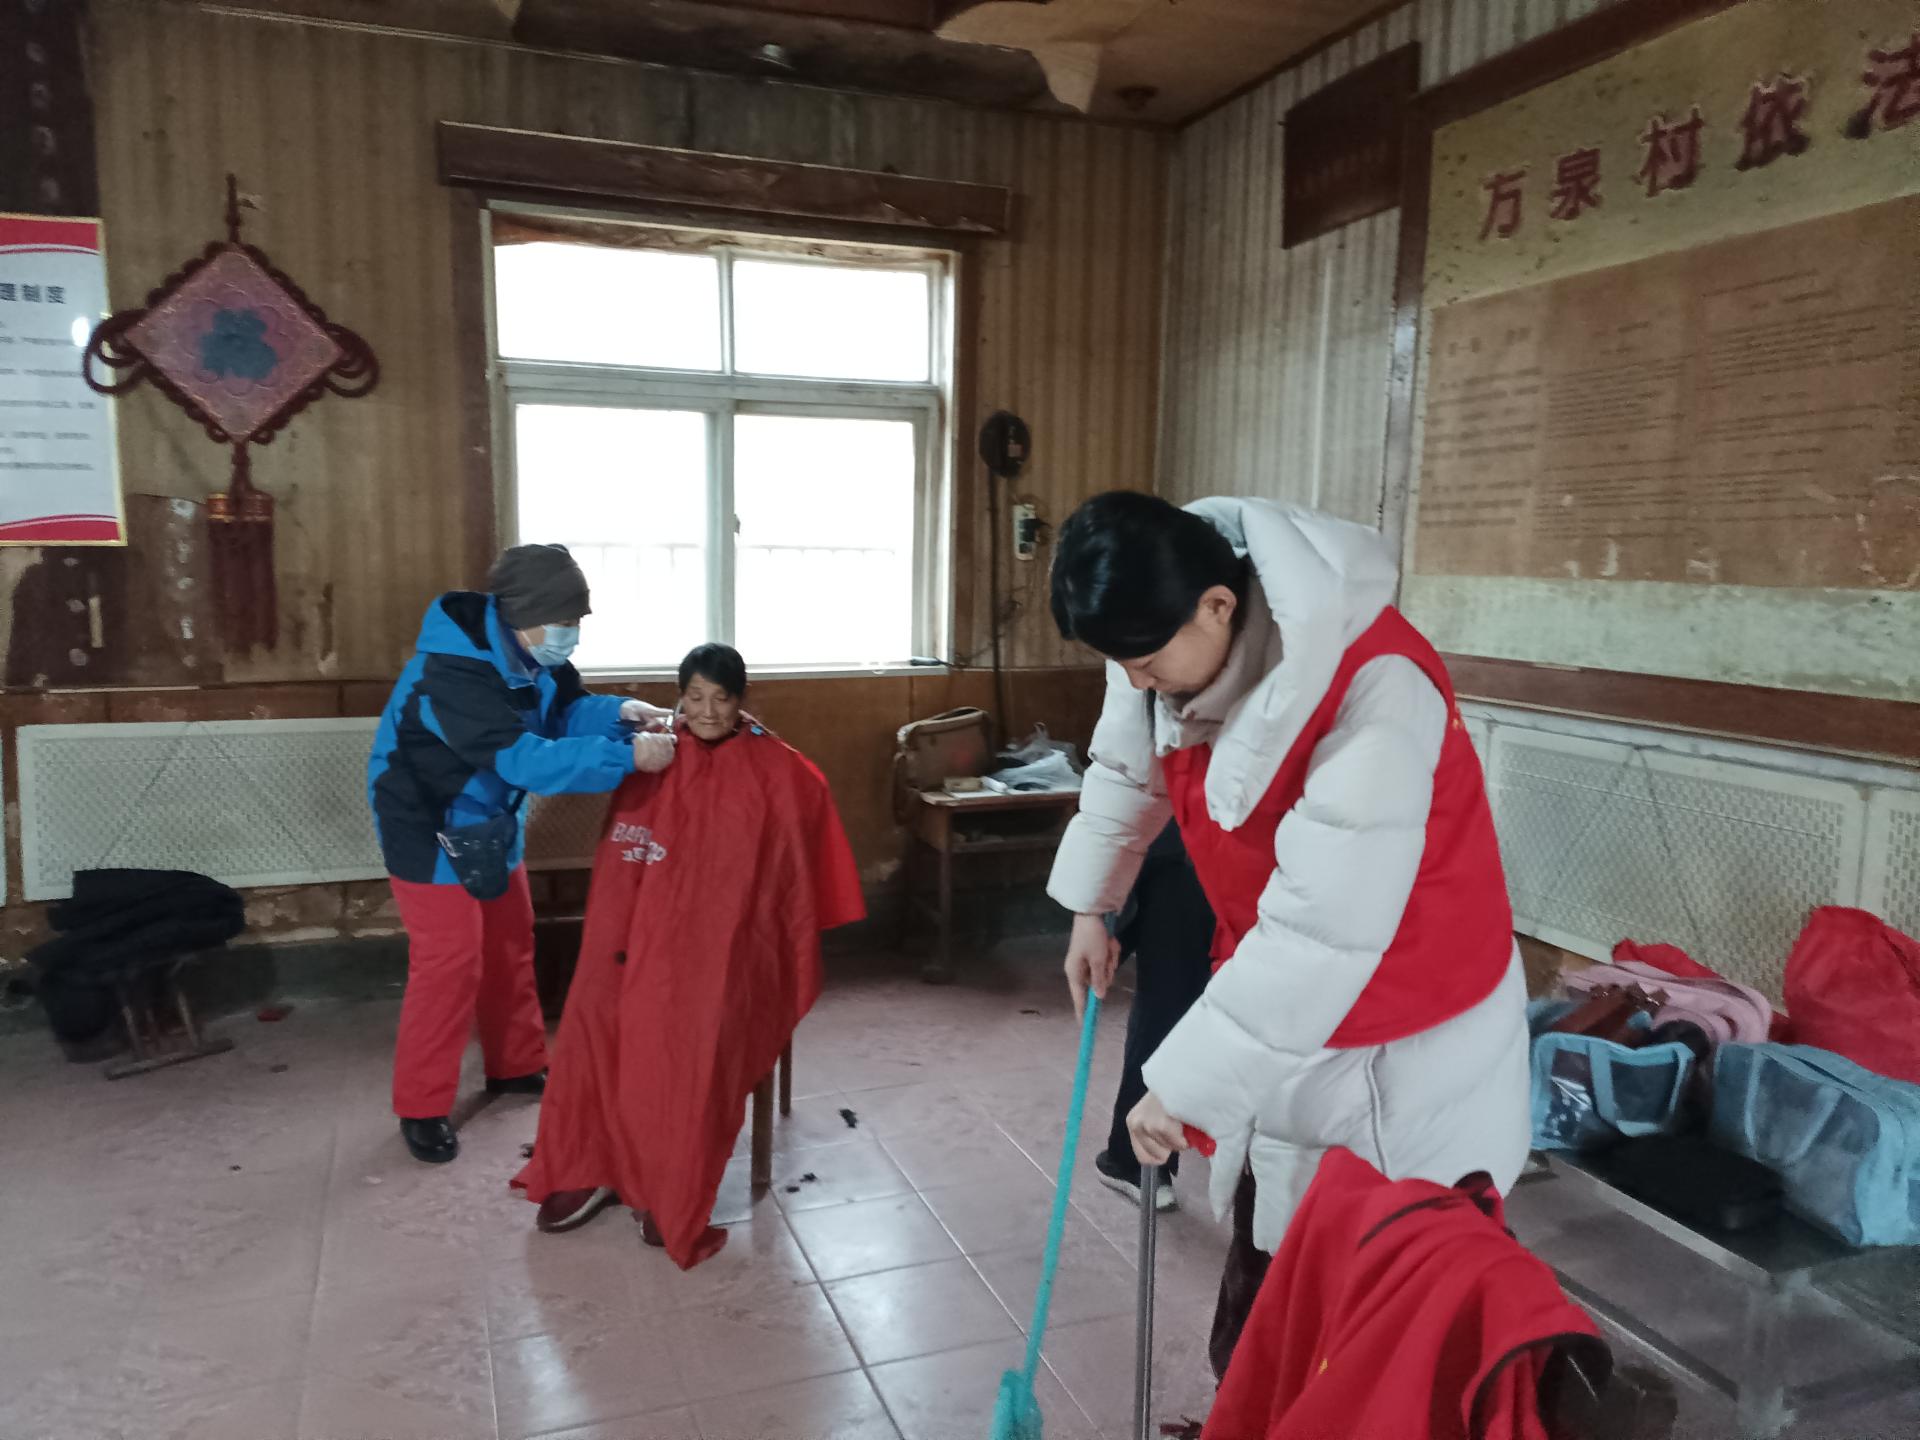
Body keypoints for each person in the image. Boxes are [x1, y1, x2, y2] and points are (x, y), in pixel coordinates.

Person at [1045, 492, 1530, 1382]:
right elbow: (1129, 766)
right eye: (1124, 666)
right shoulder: (1165, 633)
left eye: (1145, 663)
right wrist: (1092, 906)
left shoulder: (1378, 687)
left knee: (1373, 1308)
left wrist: (1184, 1084)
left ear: (1218, 607)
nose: (1138, 683)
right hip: (1289, 998)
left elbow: (1322, 929)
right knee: (1274, 1261)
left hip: (1404, 1028)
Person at [512, 644, 865, 1266]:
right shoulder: (651, 754)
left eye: (720, 699)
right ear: (678, 697)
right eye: (694, 697)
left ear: (741, 701)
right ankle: (591, 1164)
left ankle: (664, 1179)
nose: (706, 711)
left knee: (686, 1036)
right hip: (632, 934)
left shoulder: (777, 770)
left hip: (721, 948)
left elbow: (790, 883)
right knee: (598, 1023)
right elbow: (624, 851)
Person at [368, 543, 676, 1165]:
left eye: (578, 620)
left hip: (490, 817)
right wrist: (627, 757)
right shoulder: (451, 673)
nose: (572, 633)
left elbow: (564, 713)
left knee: (510, 942)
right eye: (564, 620)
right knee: (450, 961)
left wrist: (620, 713)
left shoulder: (533, 656)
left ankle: (514, 1064)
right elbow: (523, 758)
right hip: (425, 822)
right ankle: (421, 1106)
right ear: (523, 615)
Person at [1093, 820, 1215, 1213]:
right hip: (1181, 856)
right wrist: (1090, 911)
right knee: (1169, 1006)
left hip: (1258, 857)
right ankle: (1131, 1161)